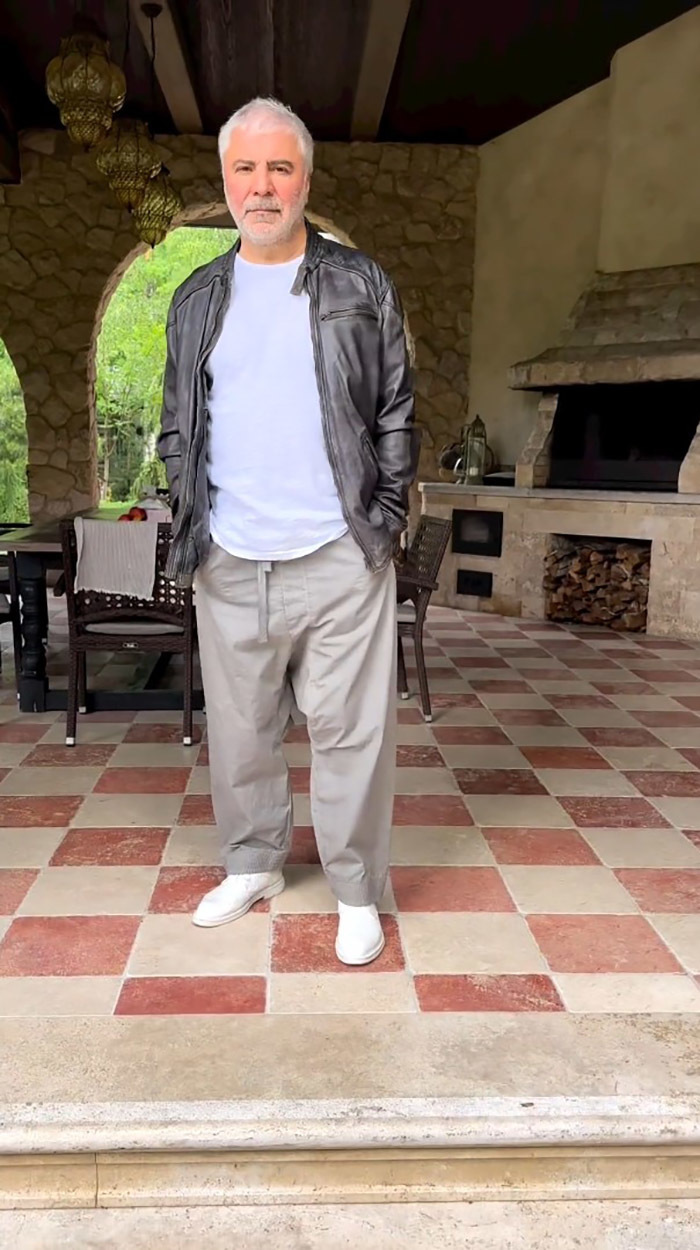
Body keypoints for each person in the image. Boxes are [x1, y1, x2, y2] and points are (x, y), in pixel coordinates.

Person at [157, 97, 416, 965]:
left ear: (306, 178)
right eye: (245, 168)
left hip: (340, 553)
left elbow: (395, 409)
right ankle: (254, 864)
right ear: (225, 179)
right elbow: (178, 424)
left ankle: (356, 890)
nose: (261, 187)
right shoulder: (196, 297)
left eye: (279, 168)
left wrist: (382, 523)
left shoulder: (360, 283)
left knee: (352, 737)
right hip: (229, 557)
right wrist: (192, 520)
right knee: (240, 733)